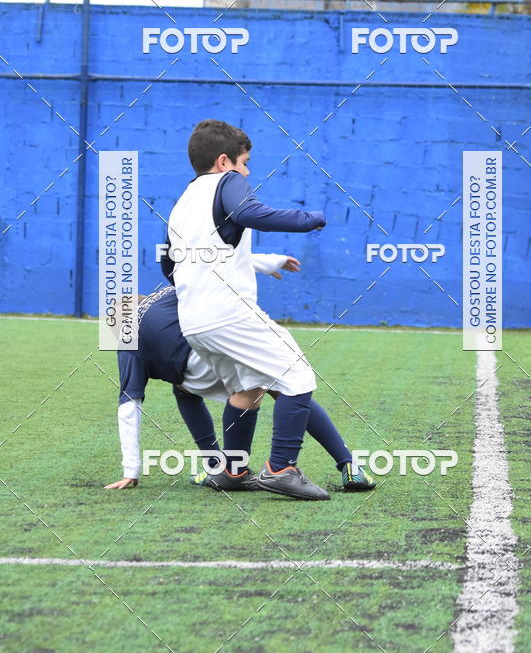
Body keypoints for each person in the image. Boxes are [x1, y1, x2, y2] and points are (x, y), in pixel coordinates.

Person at [167, 119, 345, 500]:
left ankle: (233, 470)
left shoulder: (182, 203)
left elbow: (170, 263)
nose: (247, 172)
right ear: (223, 161)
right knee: (297, 377)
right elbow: (249, 213)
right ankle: (281, 468)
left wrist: (261, 263)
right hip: (229, 314)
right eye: (244, 162)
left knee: (247, 390)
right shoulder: (228, 182)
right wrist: (309, 219)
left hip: (194, 322)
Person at [105, 257, 375, 494]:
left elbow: (129, 406)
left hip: (195, 371)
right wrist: (270, 262)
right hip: (222, 340)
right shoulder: (167, 293)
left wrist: (132, 469)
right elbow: (217, 263)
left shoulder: (126, 345)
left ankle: (221, 467)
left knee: (184, 390)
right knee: (281, 387)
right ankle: (348, 464)